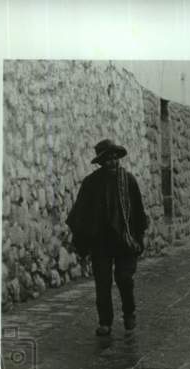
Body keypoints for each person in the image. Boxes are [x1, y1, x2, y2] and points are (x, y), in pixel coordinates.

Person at [67, 138, 149, 336]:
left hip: (125, 240)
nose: (112, 162)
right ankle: (105, 322)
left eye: (115, 158)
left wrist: (138, 238)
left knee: (124, 279)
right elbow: (80, 214)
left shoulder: (128, 181)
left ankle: (129, 312)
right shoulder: (91, 183)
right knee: (102, 283)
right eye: (108, 159)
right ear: (102, 162)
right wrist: (82, 242)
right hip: (101, 242)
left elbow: (138, 212)